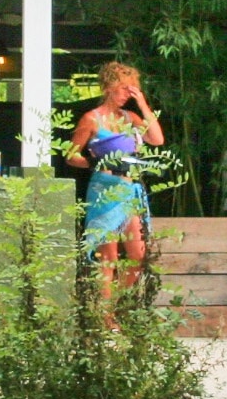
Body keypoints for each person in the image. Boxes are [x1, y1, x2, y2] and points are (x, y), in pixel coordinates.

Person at [66, 62, 164, 291]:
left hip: (130, 188)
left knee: (137, 256)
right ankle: (106, 318)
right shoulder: (92, 119)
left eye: (131, 90)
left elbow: (157, 139)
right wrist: (96, 161)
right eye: (123, 89)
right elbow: (70, 156)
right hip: (105, 187)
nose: (125, 95)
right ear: (108, 87)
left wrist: (142, 103)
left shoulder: (130, 118)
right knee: (108, 257)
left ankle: (118, 307)